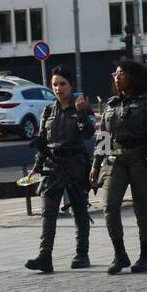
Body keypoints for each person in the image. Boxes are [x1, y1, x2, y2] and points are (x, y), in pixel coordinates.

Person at [91, 59, 147, 275]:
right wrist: (95, 164)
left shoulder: (146, 102)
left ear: (134, 77)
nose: (117, 76)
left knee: (142, 207)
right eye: (115, 73)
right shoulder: (110, 105)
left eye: (122, 73)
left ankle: (145, 255)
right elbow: (103, 137)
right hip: (116, 160)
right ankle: (119, 254)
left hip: (140, 159)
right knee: (109, 205)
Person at [23, 65, 97, 272]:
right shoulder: (48, 111)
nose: (58, 88)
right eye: (55, 84)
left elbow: (88, 133)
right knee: (48, 213)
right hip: (52, 166)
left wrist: (82, 113)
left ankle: (82, 254)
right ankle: (45, 256)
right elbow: (42, 142)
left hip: (75, 165)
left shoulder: (81, 107)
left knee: (80, 210)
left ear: (71, 85)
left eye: (62, 84)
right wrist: (36, 167)